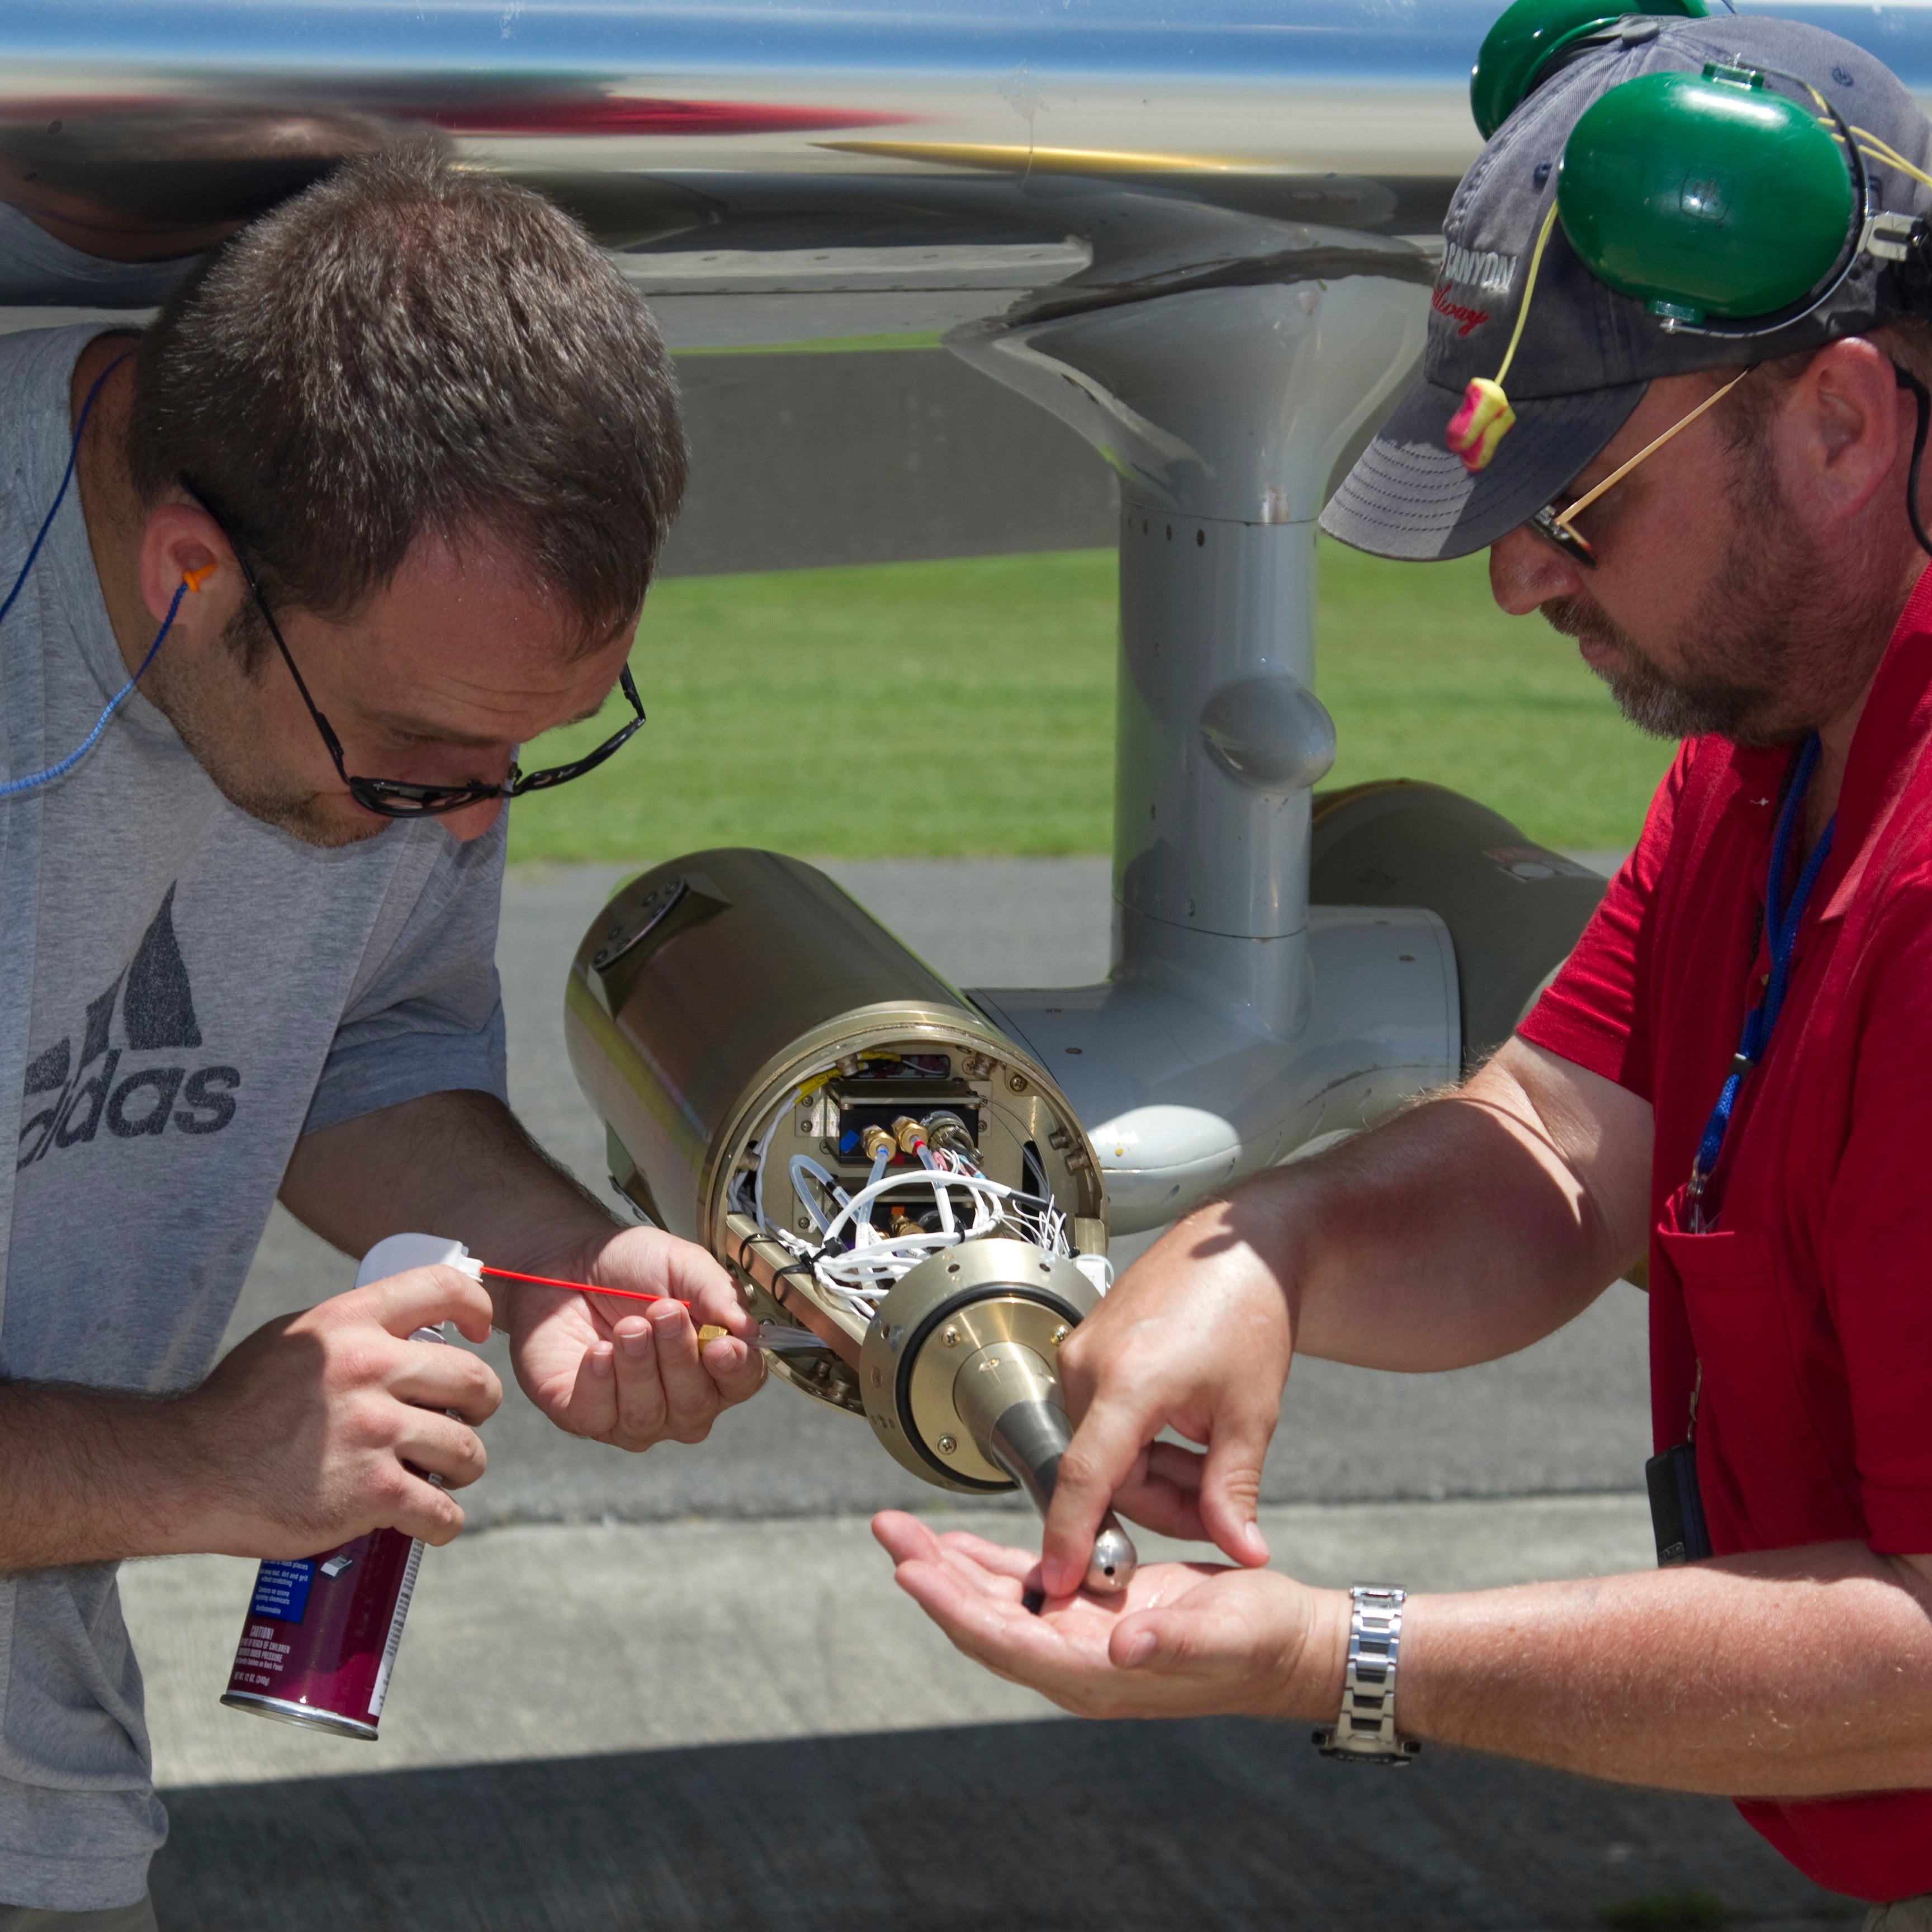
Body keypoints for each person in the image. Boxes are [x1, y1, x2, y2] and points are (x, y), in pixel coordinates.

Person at [875, 11, 1932, 1922]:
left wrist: (1342, 1656)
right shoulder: (1783, 747)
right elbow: (1559, 1143)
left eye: (1580, 502)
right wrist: (1258, 1251)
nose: (1522, 577)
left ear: (1846, 421)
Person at [0, 146, 765, 1928]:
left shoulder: (376, 674)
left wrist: (571, 1259)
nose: (471, 827)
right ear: (194, 570)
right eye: (421, 756)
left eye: (540, 751)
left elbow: (358, 1051)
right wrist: (203, 1462)